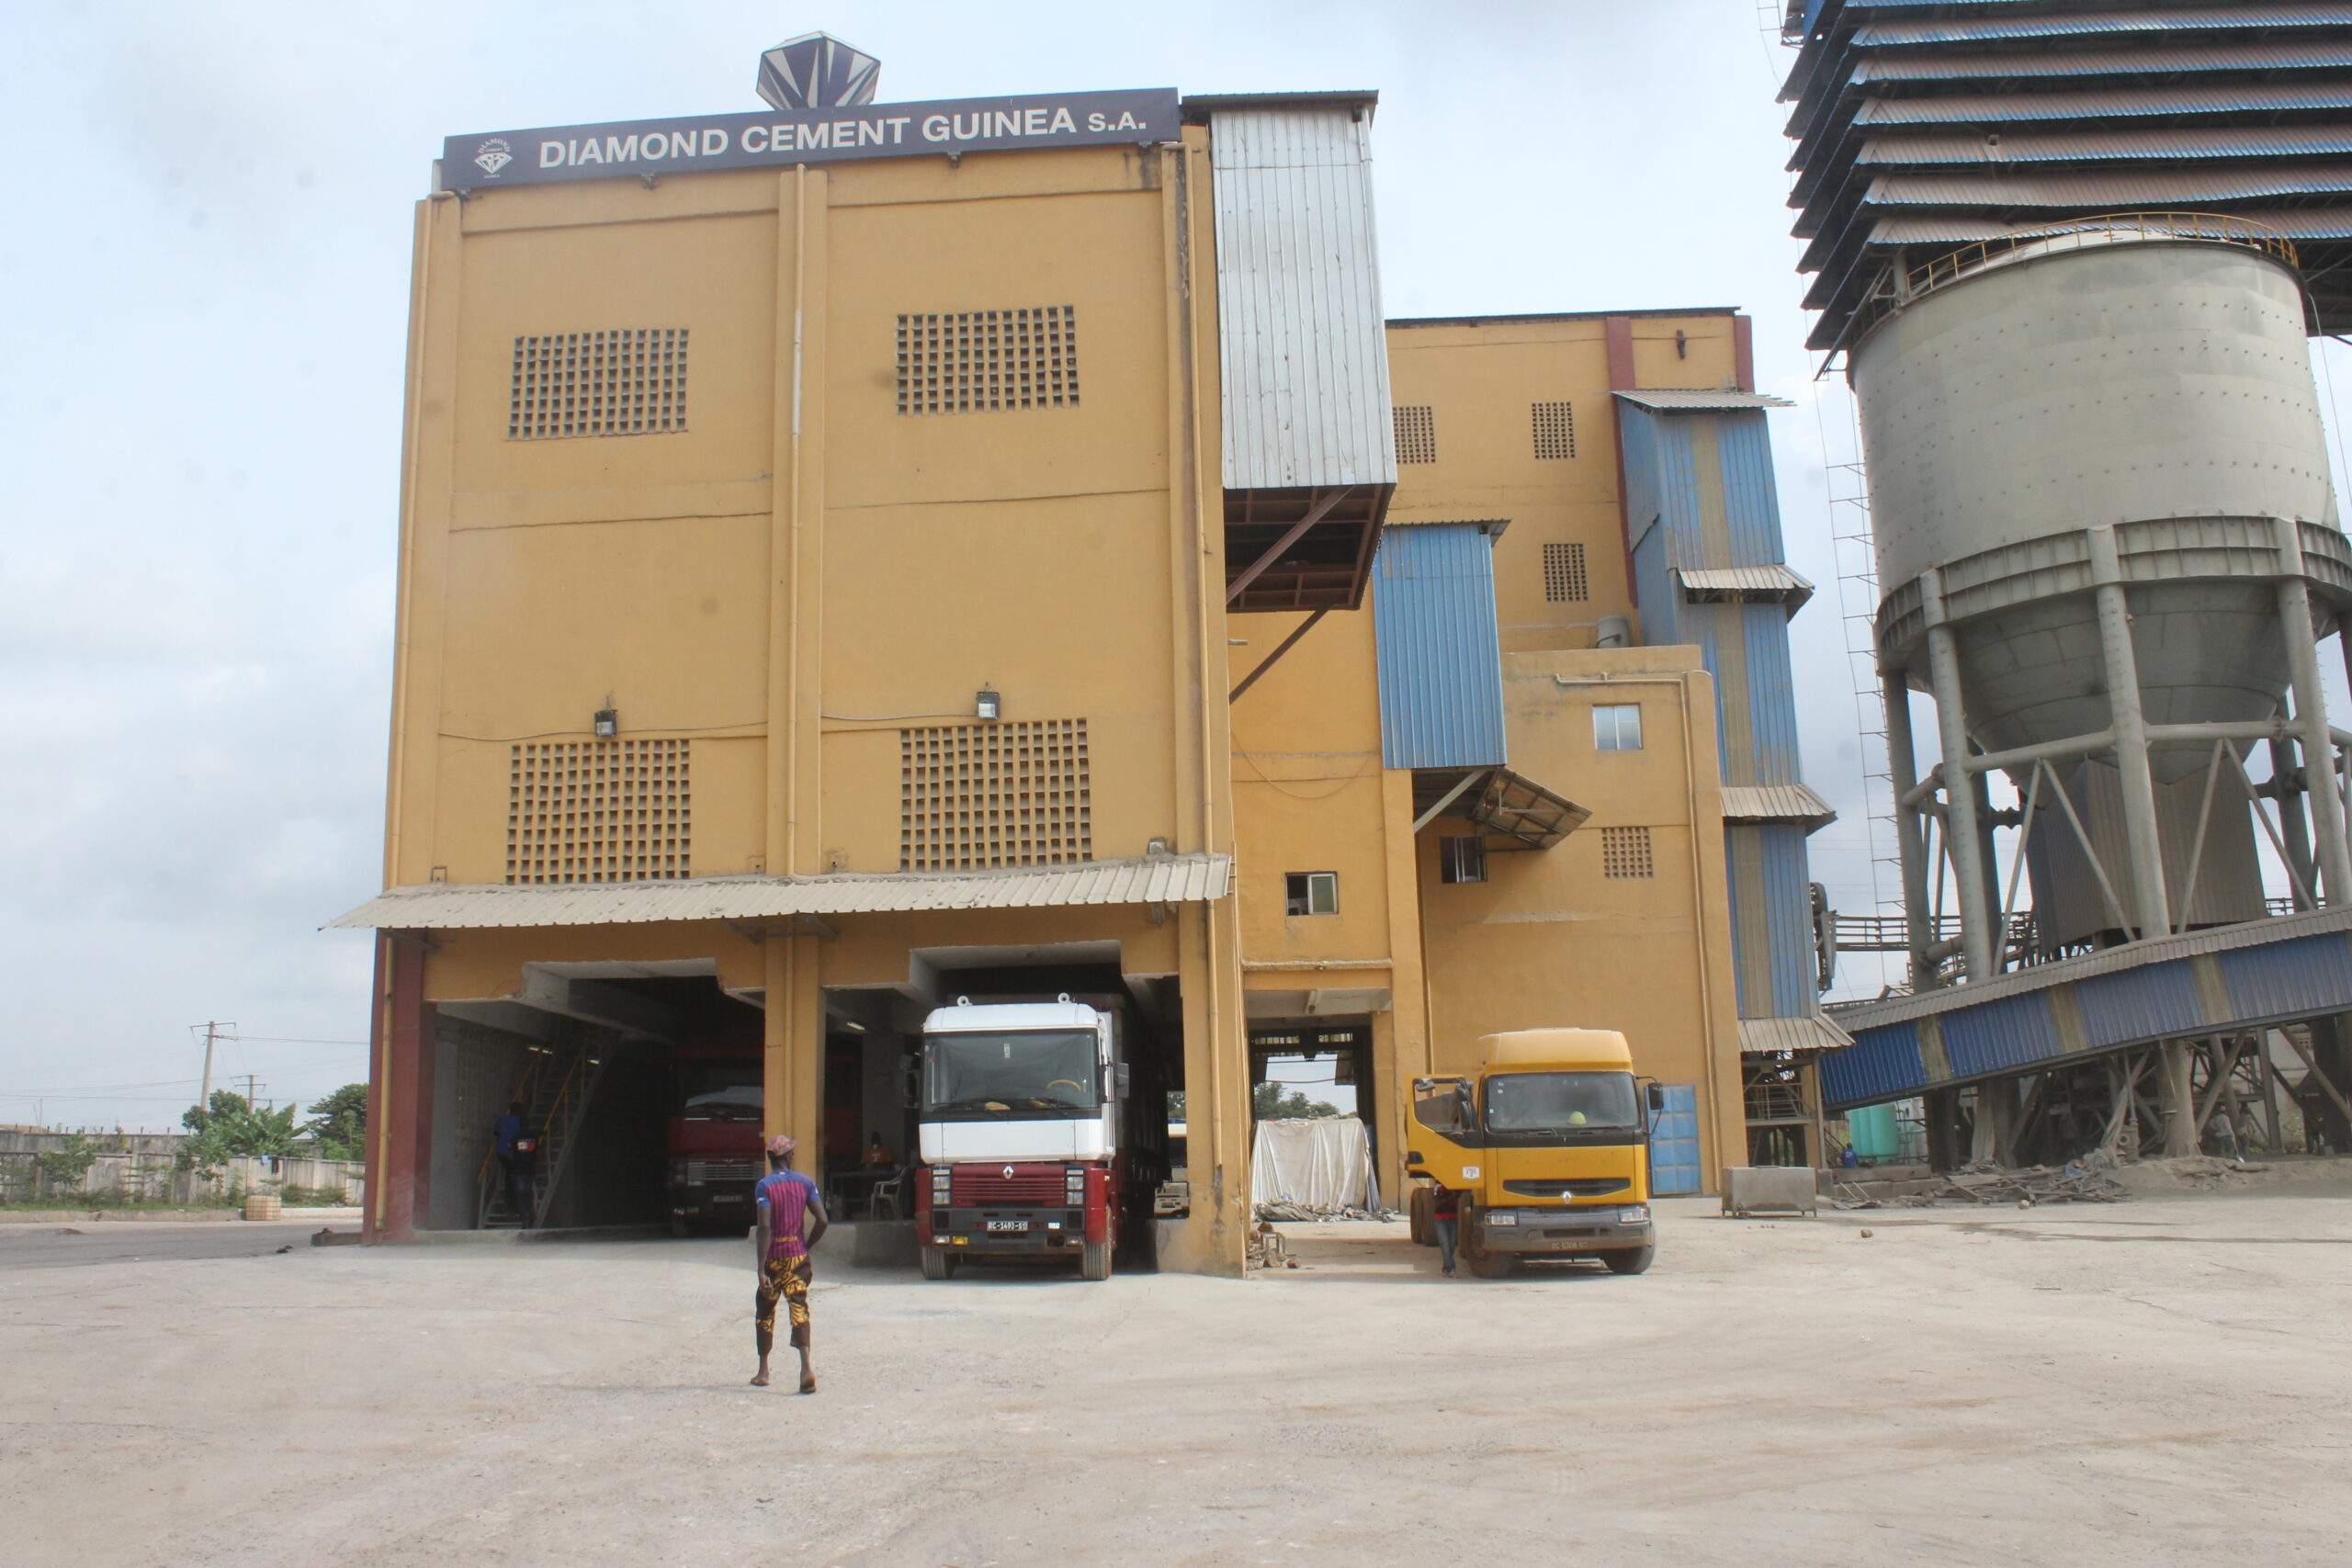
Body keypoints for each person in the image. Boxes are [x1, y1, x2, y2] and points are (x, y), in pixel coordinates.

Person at [752, 1134, 828, 1393]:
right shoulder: (806, 1183)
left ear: (770, 1159)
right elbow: (823, 1220)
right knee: (799, 1307)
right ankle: (806, 1368)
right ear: (790, 1155)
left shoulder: (764, 1186)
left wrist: (761, 1268)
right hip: (797, 1257)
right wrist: (807, 1246)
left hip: (774, 1259)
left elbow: (764, 1227)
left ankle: (763, 1371)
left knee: (765, 1311)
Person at [492, 1100, 535, 1227]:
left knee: (510, 1175)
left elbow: (496, 1133)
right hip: (518, 1156)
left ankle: (511, 1204)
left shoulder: (501, 1120)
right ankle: (523, 1211)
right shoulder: (522, 1122)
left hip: (502, 1154)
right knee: (520, 1183)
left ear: (510, 1111)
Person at [1430, 1185, 1460, 1278]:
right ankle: (1452, 1269)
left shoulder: (1455, 1186)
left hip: (1453, 1219)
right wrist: (1451, 1198)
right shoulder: (1437, 1188)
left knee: (1451, 1246)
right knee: (1445, 1246)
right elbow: (1436, 1204)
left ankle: (1445, 1268)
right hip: (1441, 1220)